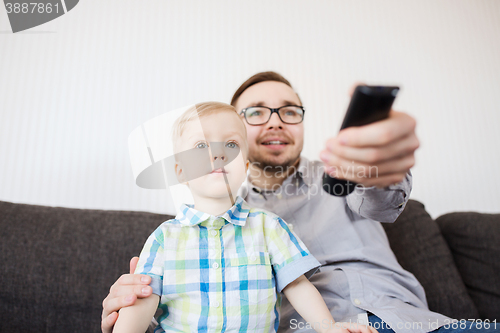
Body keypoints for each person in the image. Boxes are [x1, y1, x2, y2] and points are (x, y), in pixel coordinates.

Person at [102, 72, 498, 333]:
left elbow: (380, 198)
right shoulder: (196, 228)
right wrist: (135, 313)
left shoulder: (339, 172)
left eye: (289, 111)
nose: (275, 121)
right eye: (256, 113)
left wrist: (378, 163)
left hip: (412, 323)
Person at [112, 102, 376, 333]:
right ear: (180, 171)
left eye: (231, 145)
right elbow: (144, 299)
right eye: (201, 145)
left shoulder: (268, 227)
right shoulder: (164, 237)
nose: (218, 154)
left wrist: (329, 328)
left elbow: (296, 285)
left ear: (245, 167)